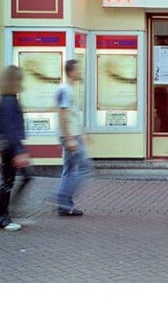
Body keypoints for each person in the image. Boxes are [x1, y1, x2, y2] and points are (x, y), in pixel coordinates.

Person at [0, 65, 32, 231]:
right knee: (7, 182)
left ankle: (6, 213)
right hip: (9, 146)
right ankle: (2, 218)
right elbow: (10, 128)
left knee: (19, 178)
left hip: (9, 145)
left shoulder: (8, 98)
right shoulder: (9, 100)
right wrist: (18, 151)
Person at [54, 59, 92, 217]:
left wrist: (83, 132)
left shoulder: (69, 89)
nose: (80, 72)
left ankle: (64, 204)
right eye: (78, 69)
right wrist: (69, 138)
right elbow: (62, 115)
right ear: (71, 71)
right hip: (70, 136)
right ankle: (61, 198)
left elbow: (72, 114)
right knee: (83, 168)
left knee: (69, 169)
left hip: (74, 135)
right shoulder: (65, 90)